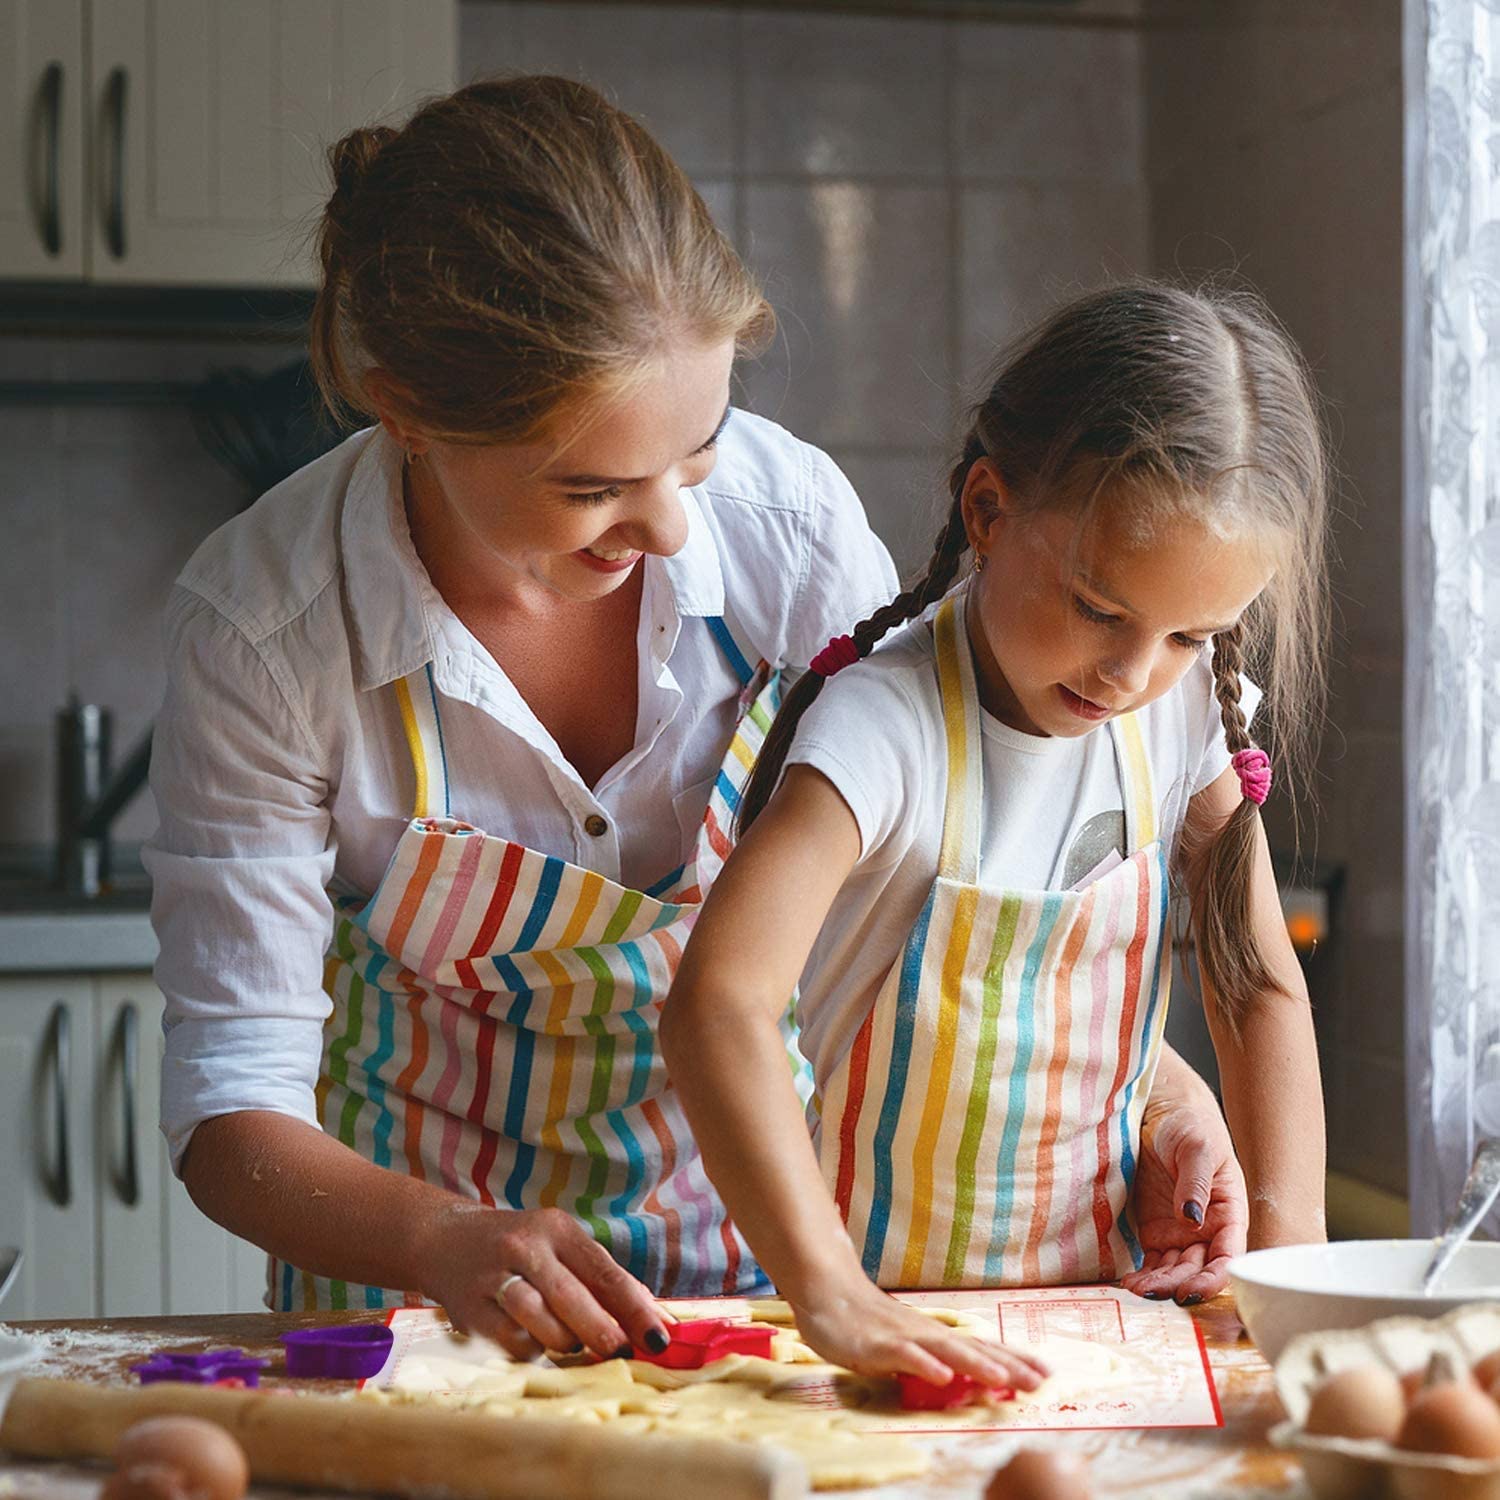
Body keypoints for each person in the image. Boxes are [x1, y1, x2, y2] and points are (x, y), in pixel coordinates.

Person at [145, 76, 1245, 1374]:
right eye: (592, 486)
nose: (671, 530)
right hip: (422, 1304)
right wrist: (443, 1237)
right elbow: (233, 1102)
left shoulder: (790, 531)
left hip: (778, 1270)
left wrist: (1154, 1085)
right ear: (408, 413)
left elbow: (934, 897)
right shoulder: (269, 628)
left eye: (699, 449)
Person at [661, 282, 1329, 1386]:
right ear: (987, 509)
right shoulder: (886, 726)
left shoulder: (1180, 717)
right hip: (873, 1325)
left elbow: (1254, 978)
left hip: (1102, 1320)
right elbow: (718, 1003)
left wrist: (1288, 1245)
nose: (1131, 675)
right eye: (1102, 609)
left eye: (1188, 635)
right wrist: (832, 1296)